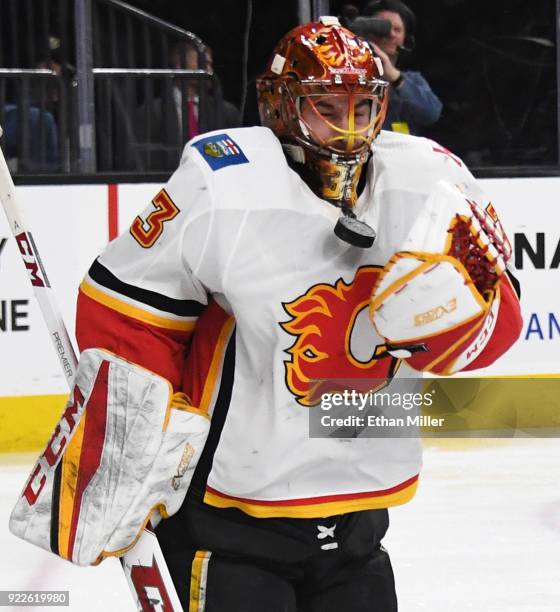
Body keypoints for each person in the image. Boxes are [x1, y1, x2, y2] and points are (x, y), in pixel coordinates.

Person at [11, 17, 522, 611]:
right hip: (228, 524)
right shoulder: (224, 183)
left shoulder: (431, 180)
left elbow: (495, 319)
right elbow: (125, 312)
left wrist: (449, 329)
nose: (347, 128)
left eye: (362, 108)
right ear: (280, 107)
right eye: (326, 106)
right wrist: (129, 445)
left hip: (360, 511)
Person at [135, 40, 241, 171]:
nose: (209, 70)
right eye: (202, 63)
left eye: (210, 64)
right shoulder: (151, 112)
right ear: (180, 66)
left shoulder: (226, 112)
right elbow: (145, 160)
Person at [361, 0, 442, 135]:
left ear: (405, 38)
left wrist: (396, 78)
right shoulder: (351, 75)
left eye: (397, 30)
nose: (391, 34)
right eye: (384, 27)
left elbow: (431, 113)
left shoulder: (412, 79)